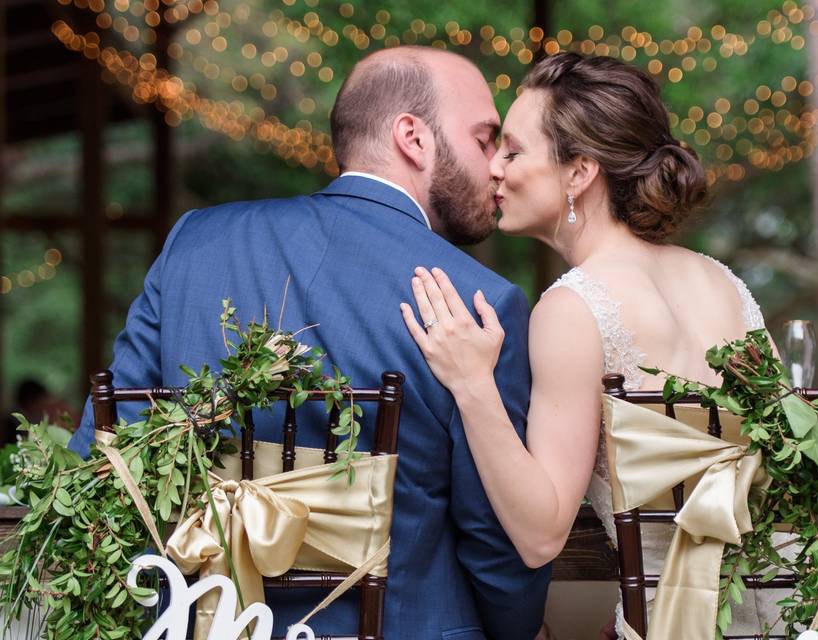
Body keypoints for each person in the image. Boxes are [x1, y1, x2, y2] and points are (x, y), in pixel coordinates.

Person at [69, 46, 550, 639]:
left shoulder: (194, 245)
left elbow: (104, 455)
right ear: (413, 138)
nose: (495, 167)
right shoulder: (479, 303)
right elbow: (497, 548)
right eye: (483, 141)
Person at [401, 52, 772, 638]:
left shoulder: (573, 308)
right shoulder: (723, 282)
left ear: (579, 172)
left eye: (514, 151)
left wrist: (473, 385)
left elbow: (540, 534)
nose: (492, 168)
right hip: (778, 614)